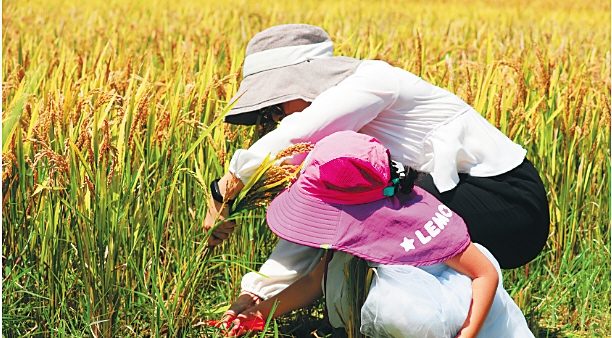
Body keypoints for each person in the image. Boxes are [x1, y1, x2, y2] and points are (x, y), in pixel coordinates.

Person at [222, 131, 543, 338]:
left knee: (384, 301)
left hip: (456, 320)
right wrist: (260, 313)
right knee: (342, 275)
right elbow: (313, 283)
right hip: (413, 306)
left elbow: (484, 272)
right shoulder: (353, 225)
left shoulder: (419, 219)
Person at [204, 23, 549, 271]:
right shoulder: (336, 128)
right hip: (462, 200)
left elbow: (296, 134)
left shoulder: (371, 81)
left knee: (373, 215)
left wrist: (224, 191)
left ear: (305, 79)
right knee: (353, 207)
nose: (277, 117)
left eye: (277, 106)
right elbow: (314, 215)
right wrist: (260, 293)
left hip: (509, 201)